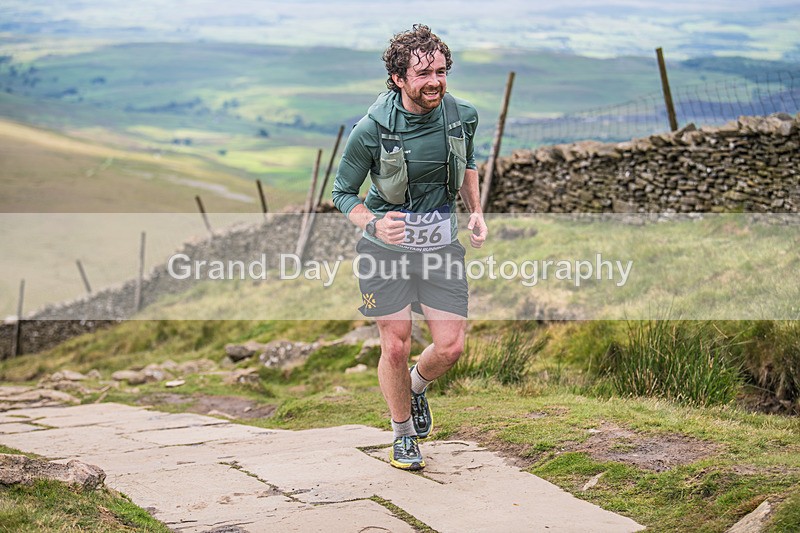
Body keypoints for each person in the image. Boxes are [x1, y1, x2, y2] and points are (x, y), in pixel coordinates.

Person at [332, 24, 487, 471]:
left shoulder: (462, 114)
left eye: (440, 71)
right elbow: (343, 194)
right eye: (423, 74)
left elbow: (469, 162)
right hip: (385, 251)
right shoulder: (370, 131)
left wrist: (474, 210)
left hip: (441, 246)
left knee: (451, 347)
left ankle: (416, 387)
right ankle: (401, 435)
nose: (435, 81)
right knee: (395, 345)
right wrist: (377, 225)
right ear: (398, 78)